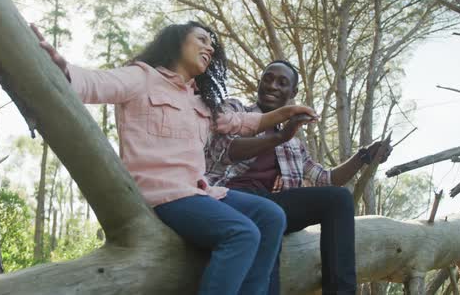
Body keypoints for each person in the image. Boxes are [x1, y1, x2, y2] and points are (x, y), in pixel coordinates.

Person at [31, 22, 318, 295]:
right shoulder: (142, 77)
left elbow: (243, 122)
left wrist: (287, 114)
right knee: (242, 234)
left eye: (212, 45)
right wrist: (63, 67)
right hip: (162, 194)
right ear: (177, 41)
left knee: (271, 216)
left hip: (199, 192)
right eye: (202, 40)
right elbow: (95, 82)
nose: (209, 48)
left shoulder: (200, 102)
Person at [205, 60, 392, 295]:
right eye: (268, 78)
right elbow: (225, 150)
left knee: (338, 198)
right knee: (267, 228)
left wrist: (363, 156)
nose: (272, 86)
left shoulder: (294, 144)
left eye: (282, 83)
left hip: (271, 205)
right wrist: (280, 136)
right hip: (228, 197)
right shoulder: (235, 110)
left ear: (292, 93)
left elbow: (327, 179)